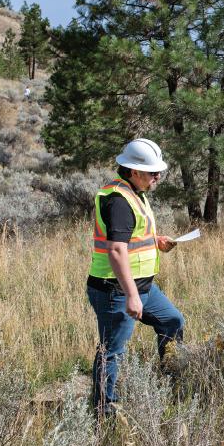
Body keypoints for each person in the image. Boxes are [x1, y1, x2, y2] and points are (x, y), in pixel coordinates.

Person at [87, 138, 184, 416]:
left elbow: (132, 240)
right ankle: (103, 412)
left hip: (143, 287)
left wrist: (156, 241)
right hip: (114, 290)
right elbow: (117, 251)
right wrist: (130, 295)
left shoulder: (135, 193)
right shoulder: (118, 201)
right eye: (152, 172)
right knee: (112, 350)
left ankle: (169, 381)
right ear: (132, 171)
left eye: (158, 171)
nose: (158, 176)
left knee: (172, 321)